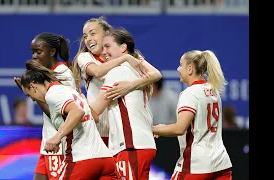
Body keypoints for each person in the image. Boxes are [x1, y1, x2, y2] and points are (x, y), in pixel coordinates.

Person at [20, 60, 118, 180]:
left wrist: (57, 137)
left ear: (33, 86)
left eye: (29, 95)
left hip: (82, 160)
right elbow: (95, 118)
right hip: (106, 160)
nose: (33, 100)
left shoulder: (52, 94)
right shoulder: (72, 92)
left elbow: (77, 112)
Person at [73, 16, 161, 147]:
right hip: (97, 132)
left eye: (93, 33)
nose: (88, 39)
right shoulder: (85, 57)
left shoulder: (129, 55)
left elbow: (156, 74)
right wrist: (125, 58)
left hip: (123, 131)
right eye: (85, 36)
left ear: (106, 34)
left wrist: (129, 86)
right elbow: (98, 71)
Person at [89, 28, 158, 180]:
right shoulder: (139, 71)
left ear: (123, 47)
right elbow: (157, 74)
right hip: (139, 144)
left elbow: (95, 110)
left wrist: (74, 99)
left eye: (107, 46)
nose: (104, 51)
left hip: (131, 146)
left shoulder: (117, 72)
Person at [152, 50, 232, 180]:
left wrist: (152, 129)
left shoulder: (189, 93)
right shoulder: (214, 91)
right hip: (221, 164)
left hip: (196, 166)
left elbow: (179, 129)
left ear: (190, 69)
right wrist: (162, 128)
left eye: (180, 65)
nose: (178, 69)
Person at [14, 32, 75, 180]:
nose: (34, 56)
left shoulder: (63, 74)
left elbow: (59, 117)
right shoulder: (45, 75)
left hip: (59, 146)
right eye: (33, 52)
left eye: (38, 52)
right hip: (47, 144)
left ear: (52, 52)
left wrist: (33, 95)